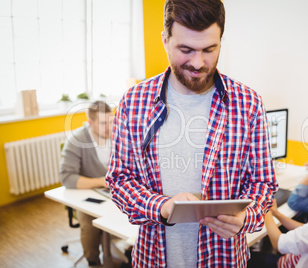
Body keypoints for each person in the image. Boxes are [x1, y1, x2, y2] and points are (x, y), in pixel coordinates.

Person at [105, 0, 277, 267]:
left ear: (221, 40)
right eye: (186, 49)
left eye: (209, 49)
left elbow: (263, 183)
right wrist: (160, 207)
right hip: (154, 257)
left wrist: (248, 217)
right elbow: (119, 179)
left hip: (224, 259)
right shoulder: (133, 101)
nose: (198, 63)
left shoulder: (248, 103)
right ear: (165, 40)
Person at [60, 100, 113, 266]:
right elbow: (67, 178)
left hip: (114, 191)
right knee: (90, 225)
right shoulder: (76, 140)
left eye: (111, 121)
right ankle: (93, 260)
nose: (109, 127)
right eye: (104, 123)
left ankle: (129, 250)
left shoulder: (116, 135)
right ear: (91, 123)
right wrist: (102, 182)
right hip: (88, 194)